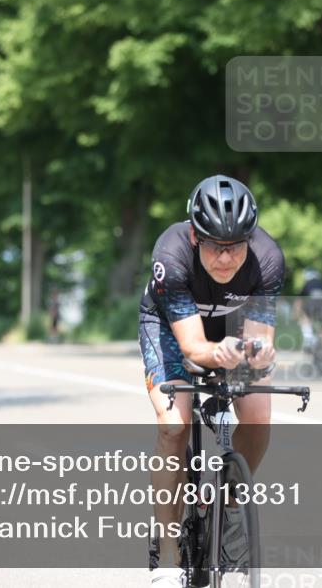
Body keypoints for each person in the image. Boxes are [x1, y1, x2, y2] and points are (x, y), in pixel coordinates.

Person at [138, 174, 284, 587]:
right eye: (216, 247)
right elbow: (193, 349)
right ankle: (167, 556)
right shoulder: (171, 254)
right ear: (194, 236)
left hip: (231, 328)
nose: (226, 258)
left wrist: (261, 352)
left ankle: (231, 504)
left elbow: (259, 339)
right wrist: (214, 354)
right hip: (171, 328)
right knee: (174, 426)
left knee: (257, 417)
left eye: (236, 246)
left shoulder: (268, 259)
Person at [293, 268, 322, 373]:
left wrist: (296, 316)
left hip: (312, 308)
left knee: (305, 319)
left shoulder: (307, 284)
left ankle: (308, 338)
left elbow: (299, 301)